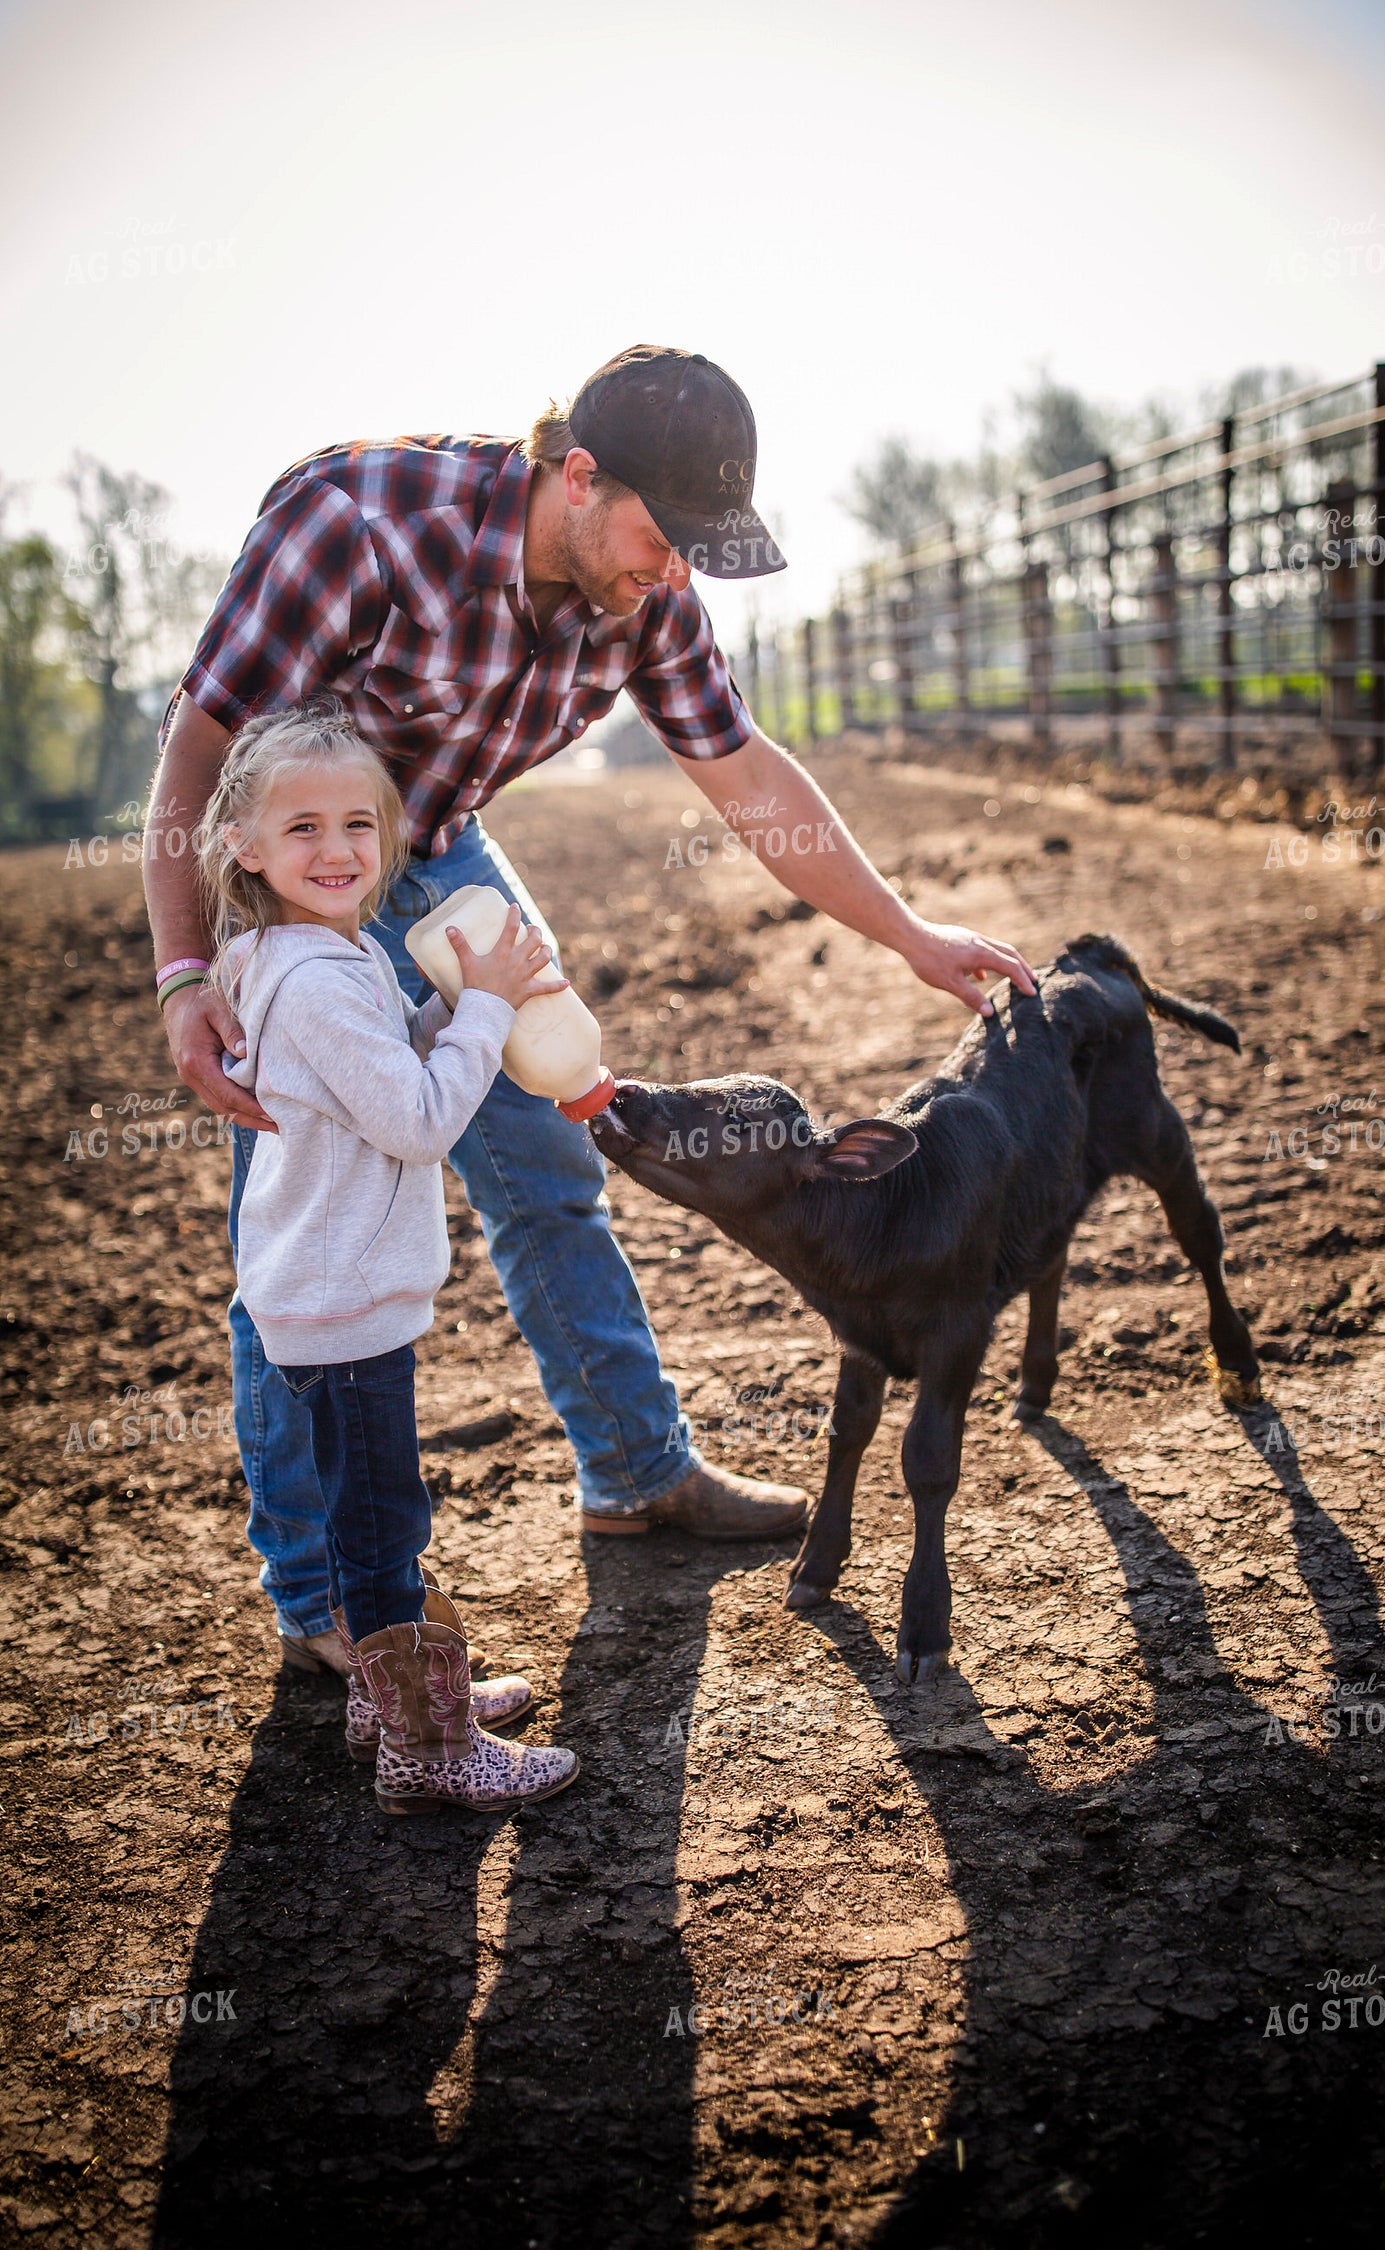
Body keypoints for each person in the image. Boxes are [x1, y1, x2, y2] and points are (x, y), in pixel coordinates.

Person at [145, 343, 1036, 1675]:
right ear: (575, 472)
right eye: (662, 535)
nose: (671, 570)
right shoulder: (362, 527)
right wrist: (182, 976)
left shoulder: (646, 592)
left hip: (433, 847)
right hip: (305, 876)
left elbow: (743, 773)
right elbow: (202, 746)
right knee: (300, 1235)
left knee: (554, 1155)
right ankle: (322, 1597)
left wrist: (906, 931)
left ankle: (636, 1471)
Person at [201, 696, 579, 1813]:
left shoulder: (313, 953)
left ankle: (387, 1696)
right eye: (304, 827)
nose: (336, 849)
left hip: (323, 1291)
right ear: (246, 846)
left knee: (365, 1508)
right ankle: (429, 1747)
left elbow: (371, 1078)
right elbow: (417, 1122)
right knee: (380, 1525)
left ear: (392, 836)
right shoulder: (318, 978)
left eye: (358, 825)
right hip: (344, 1299)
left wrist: (442, 1015)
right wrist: (481, 1020)